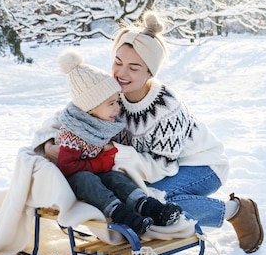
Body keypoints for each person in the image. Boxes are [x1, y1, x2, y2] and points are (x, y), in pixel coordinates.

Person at [110, 11, 264, 253]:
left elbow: (162, 167)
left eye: (133, 67)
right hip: (163, 169)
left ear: (150, 72)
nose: (121, 72)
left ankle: (236, 210)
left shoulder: (165, 106)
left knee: (157, 202)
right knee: (135, 200)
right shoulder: (111, 95)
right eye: (118, 62)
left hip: (203, 165)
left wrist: (118, 154)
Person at [43, 49, 182, 237]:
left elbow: (107, 161)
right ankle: (119, 213)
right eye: (111, 104)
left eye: (116, 101)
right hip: (77, 180)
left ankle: (148, 205)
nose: (118, 107)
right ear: (90, 108)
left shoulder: (102, 123)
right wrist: (102, 160)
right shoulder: (73, 133)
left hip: (99, 174)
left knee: (116, 178)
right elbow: (68, 167)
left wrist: (106, 160)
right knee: (87, 179)